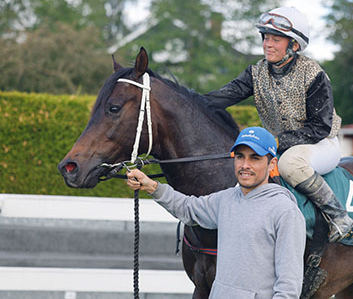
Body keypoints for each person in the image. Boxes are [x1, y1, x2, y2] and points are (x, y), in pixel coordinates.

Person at [204, 6, 353, 242]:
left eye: (276, 39)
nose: (268, 44)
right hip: (277, 147)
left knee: (290, 164)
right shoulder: (256, 72)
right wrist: (187, 101)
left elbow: (320, 127)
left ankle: (338, 216)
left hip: (321, 145)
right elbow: (221, 98)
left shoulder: (313, 73)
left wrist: (276, 142)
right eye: (266, 38)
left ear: (293, 45)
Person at [126, 126, 306, 299]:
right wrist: (152, 186)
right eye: (240, 157)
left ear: (271, 163)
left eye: (255, 158)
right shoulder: (225, 200)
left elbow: (289, 285)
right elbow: (188, 208)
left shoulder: (286, 212)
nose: (245, 165)